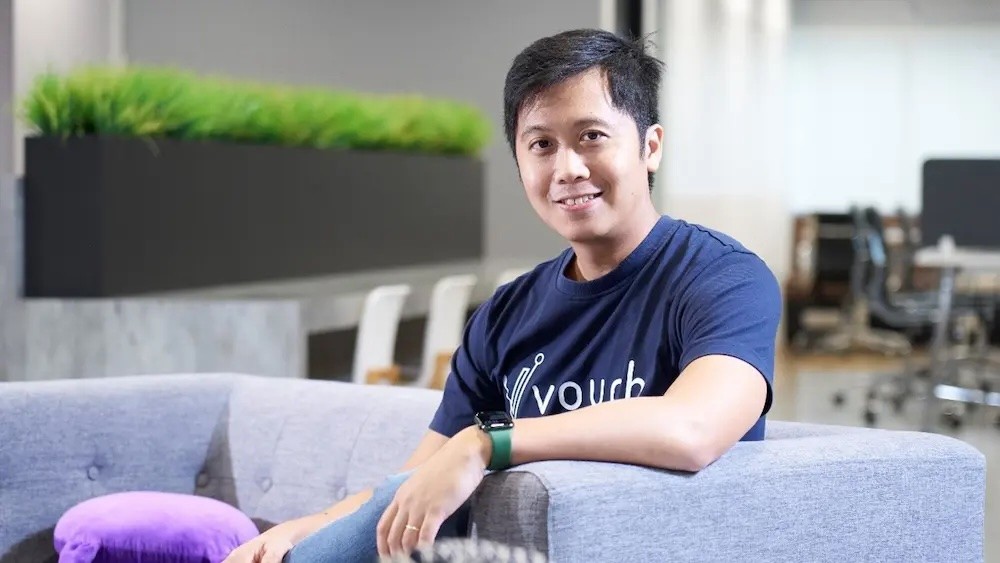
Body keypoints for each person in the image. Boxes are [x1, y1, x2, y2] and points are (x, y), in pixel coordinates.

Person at [224, 27, 781, 563]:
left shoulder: (723, 277)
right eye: (541, 144)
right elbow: (417, 480)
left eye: (592, 136)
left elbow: (695, 429)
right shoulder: (506, 314)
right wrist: (311, 525)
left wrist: (489, 442)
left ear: (650, 145)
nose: (567, 168)